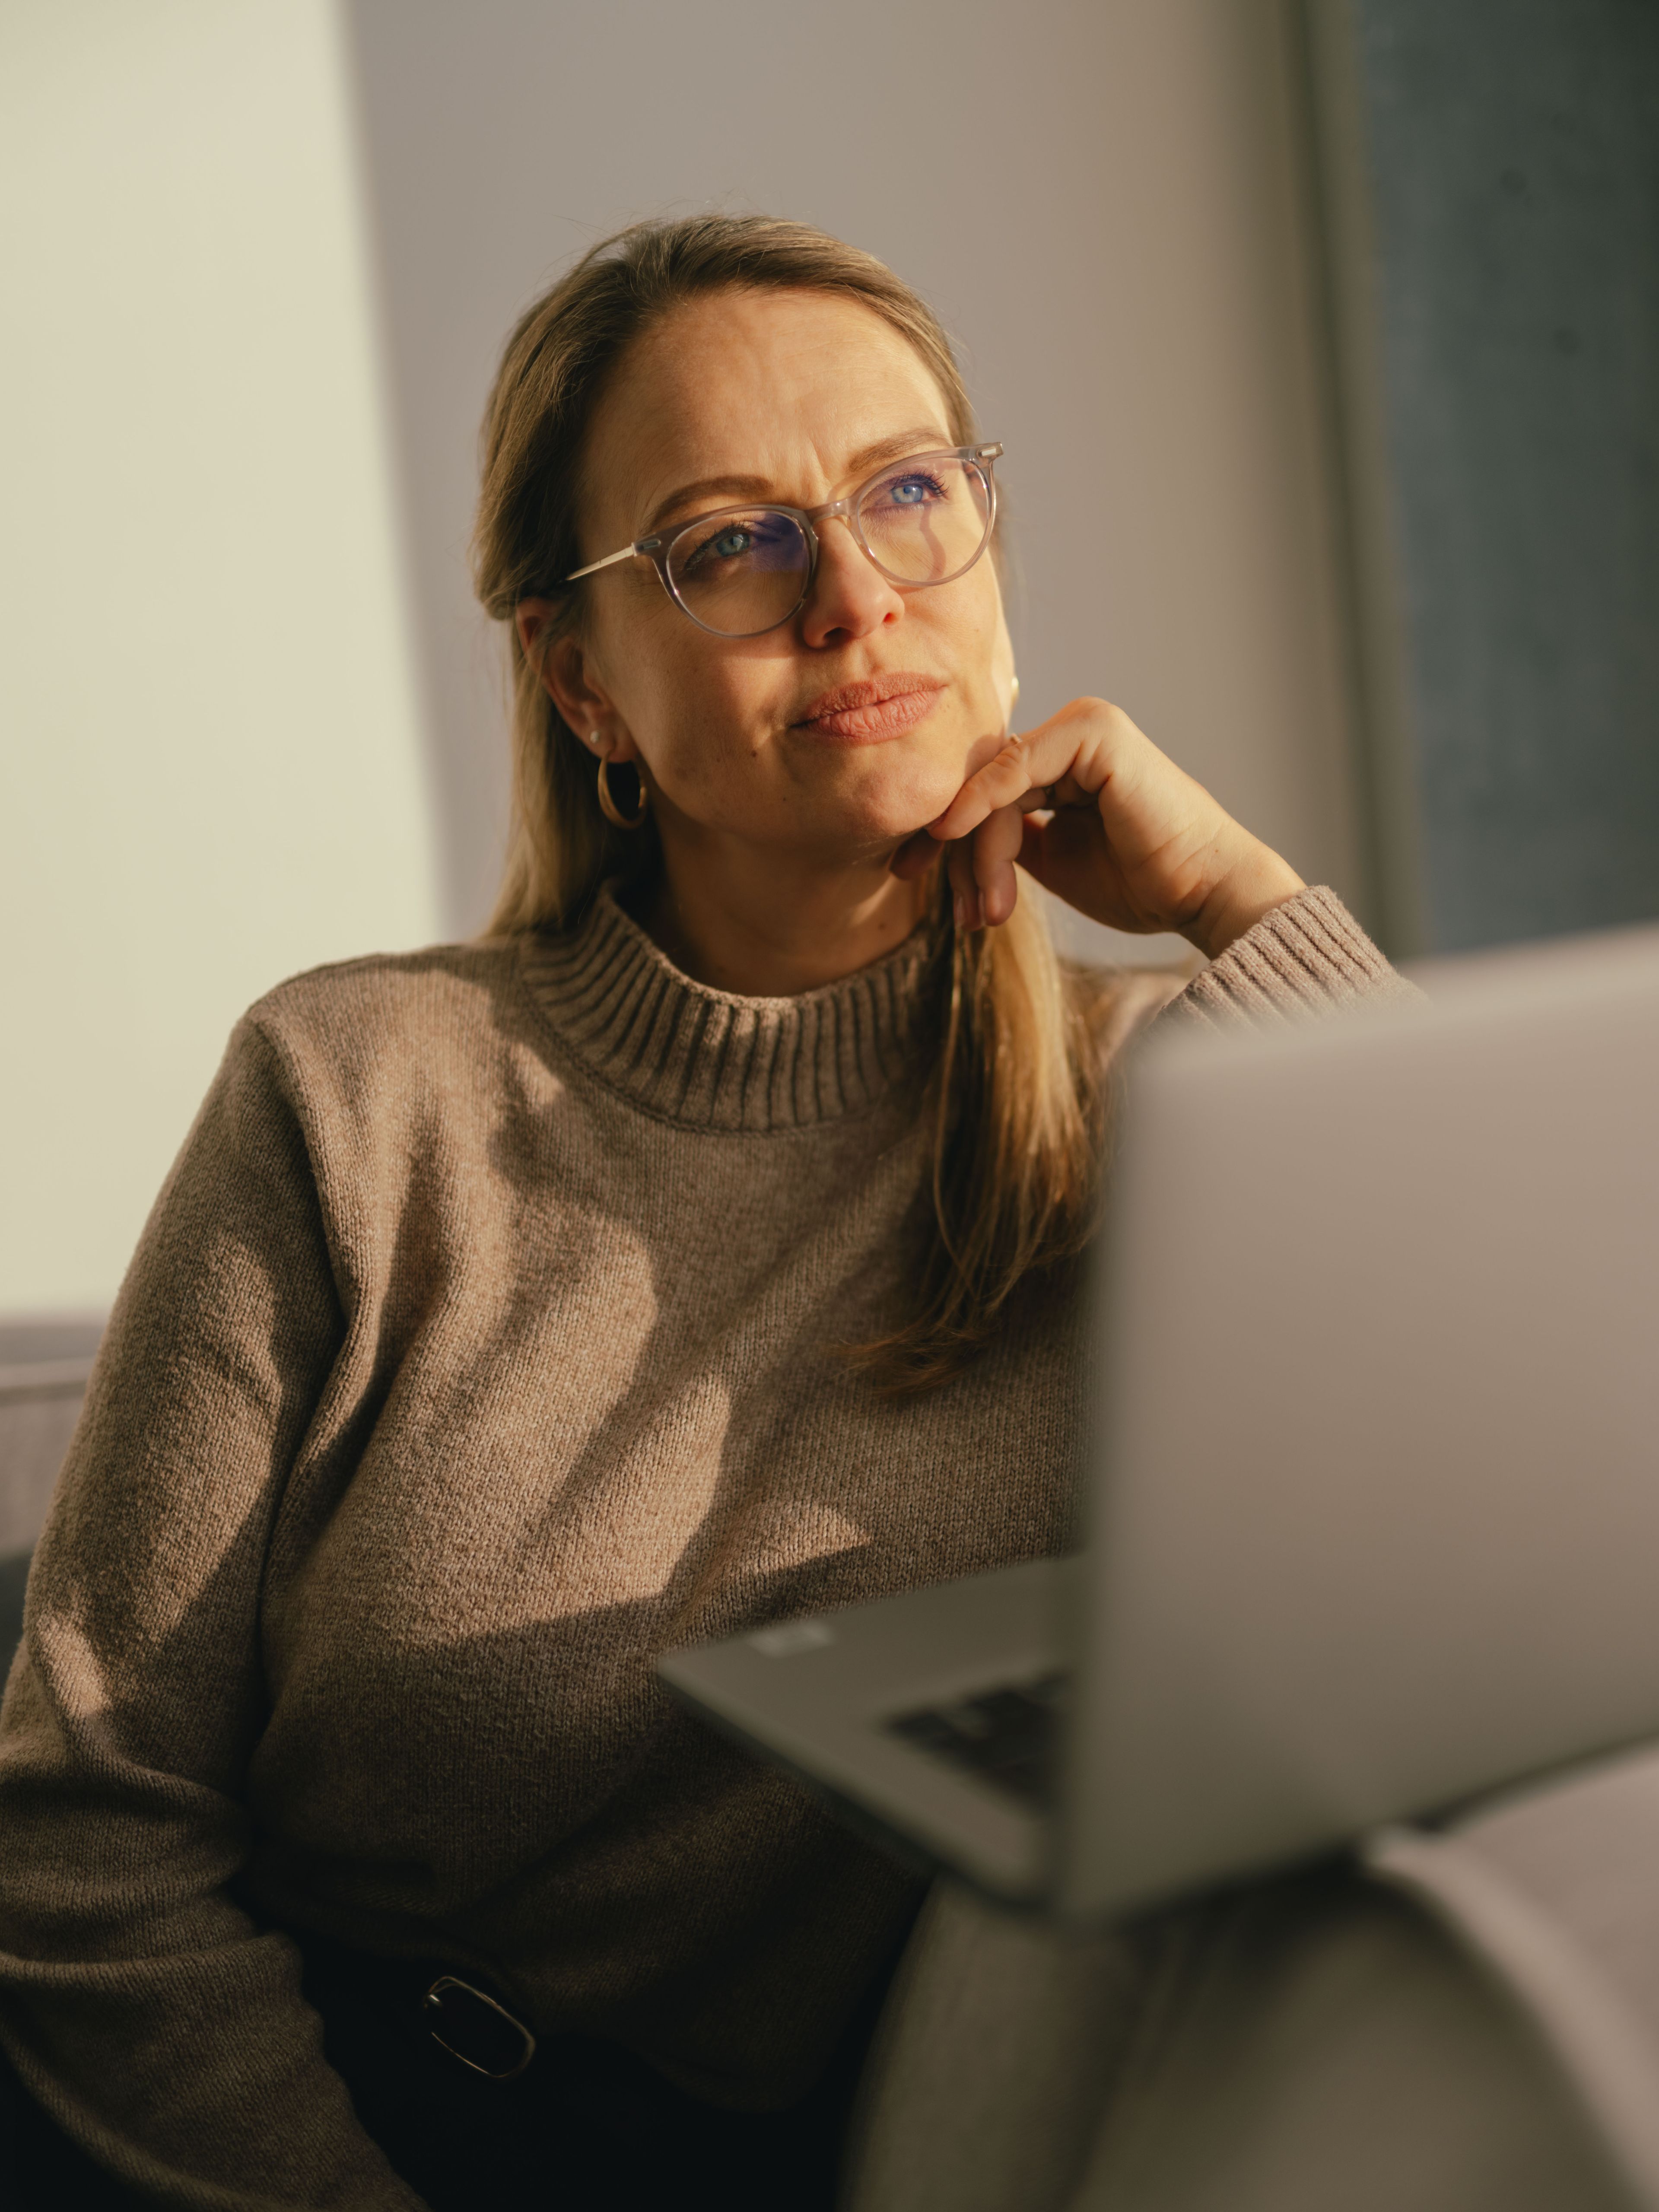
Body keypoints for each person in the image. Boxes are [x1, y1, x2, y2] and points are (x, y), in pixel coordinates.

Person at [0, 215, 1405, 2211]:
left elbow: (1595, 1435)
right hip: (223, 2116)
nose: (854, 598)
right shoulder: (355, 1091)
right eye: (733, 542)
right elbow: (80, 1831)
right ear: (583, 682)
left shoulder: (1170, 1109)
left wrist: (1249, 903)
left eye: (911, 494)